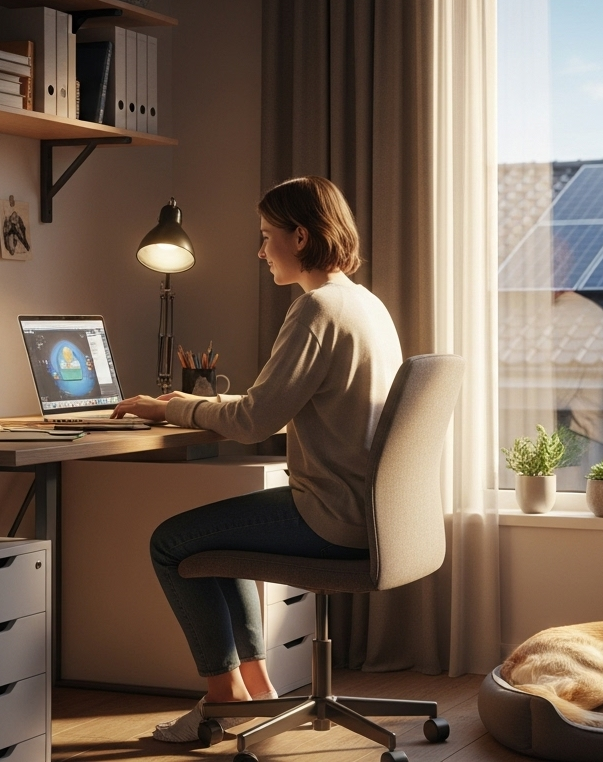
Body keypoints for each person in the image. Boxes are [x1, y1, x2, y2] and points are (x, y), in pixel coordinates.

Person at [112, 176, 403, 742]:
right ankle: (258, 690)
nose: (260, 249)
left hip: (329, 514)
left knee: (170, 543)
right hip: (368, 512)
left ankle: (221, 702)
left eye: (267, 236)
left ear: (299, 237)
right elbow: (267, 407)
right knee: (216, 542)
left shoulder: (316, 310)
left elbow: (253, 422)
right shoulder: (364, 304)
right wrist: (194, 405)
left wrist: (173, 408)